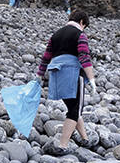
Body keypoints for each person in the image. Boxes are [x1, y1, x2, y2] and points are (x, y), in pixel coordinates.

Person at [37, 10, 96, 148]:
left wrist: (39, 76)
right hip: (73, 74)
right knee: (75, 110)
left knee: (73, 107)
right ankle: (62, 145)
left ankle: (85, 139)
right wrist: (91, 79)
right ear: (82, 22)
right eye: (84, 26)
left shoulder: (56, 35)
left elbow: (46, 57)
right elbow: (84, 57)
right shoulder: (80, 34)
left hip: (57, 76)